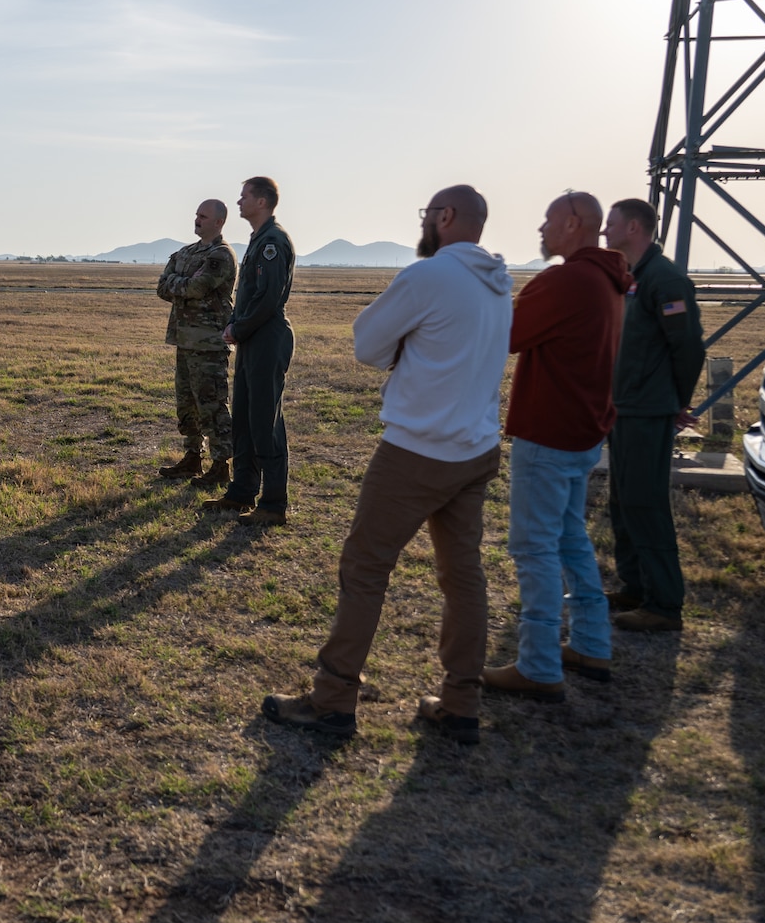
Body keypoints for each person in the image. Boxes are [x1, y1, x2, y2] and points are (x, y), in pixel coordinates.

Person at [261, 185, 512, 746]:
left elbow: (367, 345)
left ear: (445, 217)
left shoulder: (428, 276)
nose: (425, 223)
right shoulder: (500, 282)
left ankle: (332, 700)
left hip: (418, 450)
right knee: (463, 576)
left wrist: (407, 351)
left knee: (365, 569)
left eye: (428, 214)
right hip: (476, 449)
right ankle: (461, 701)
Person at [482, 193, 631, 704]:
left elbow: (509, 334)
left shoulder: (566, 280)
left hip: (549, 432)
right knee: (570, 539)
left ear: (571, 224)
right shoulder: (609, 279)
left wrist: (496, 289)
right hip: (583, 432)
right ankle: (591, 644)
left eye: (547, 222)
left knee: (534, 548)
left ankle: (539, 665)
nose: (541, 231)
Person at [602, 198, 706, 634]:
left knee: (645, 503)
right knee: (622, 500)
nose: (605, 233)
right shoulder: (631, 278)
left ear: (632, 227)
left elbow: (687, 347)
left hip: (648, 409)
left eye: (610, 225)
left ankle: (664, 604)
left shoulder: (665, 279)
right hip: (624, 407)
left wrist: (675, 400)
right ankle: (636, 586)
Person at [202, 177, 294, 527]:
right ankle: (241, 491)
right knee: (242, 416)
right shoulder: (259, 239)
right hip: (253, 338)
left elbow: (268, 299)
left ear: (262, 201)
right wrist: (235, 324)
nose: (238, 202)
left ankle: (273, 503)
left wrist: (237, 328)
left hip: (267, 337)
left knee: (264, 421)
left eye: (244, 197)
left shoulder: (273, 241)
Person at [156, 199, 237, 487]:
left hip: (209, 343)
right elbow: (162, 287)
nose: (197, 220)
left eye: (203, 216)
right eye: (196, 215)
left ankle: (220, 465)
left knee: (212, 405)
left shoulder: (221, 256)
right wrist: (184, 284)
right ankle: (192, 457)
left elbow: (198, 287)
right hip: (184, 340)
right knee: (186, 404)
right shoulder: (186, 253)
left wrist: (181, 283)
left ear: (219, 222)